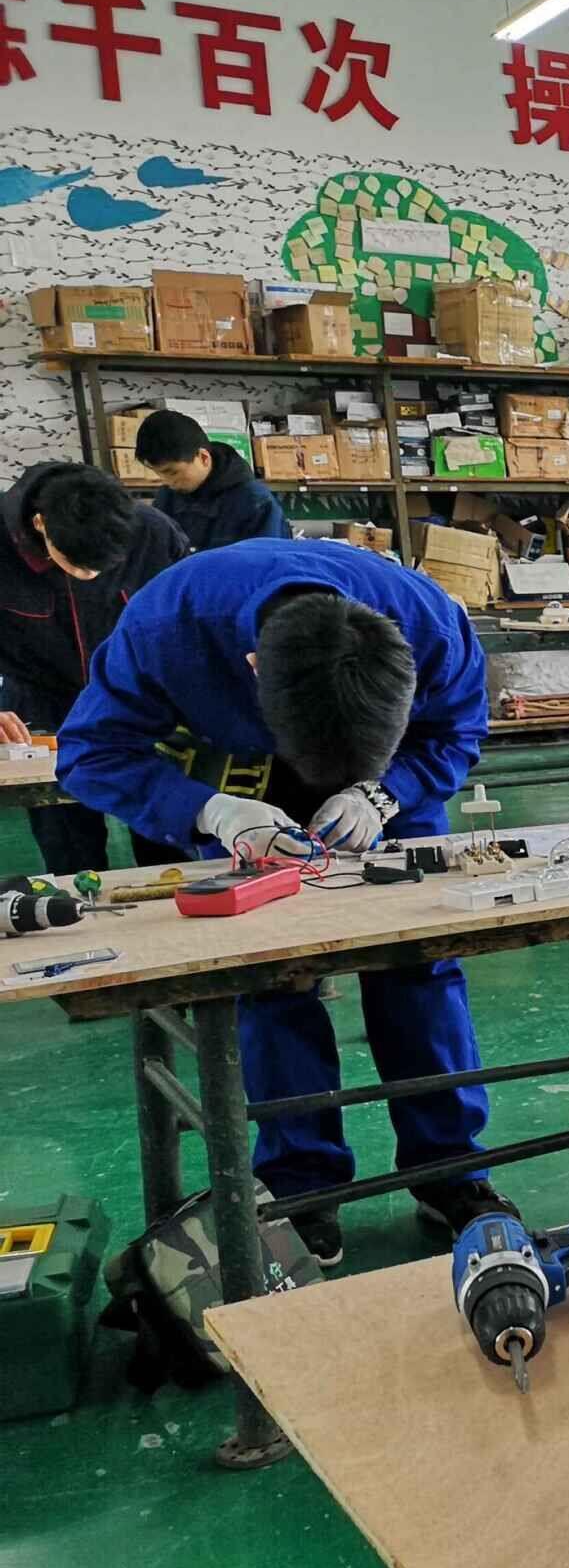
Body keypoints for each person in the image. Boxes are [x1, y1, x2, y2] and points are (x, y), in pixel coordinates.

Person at [58, 538, 510, 1267]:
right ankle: (302, 1186)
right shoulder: (168, 626)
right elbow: (89, 753)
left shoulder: (430, 621)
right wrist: (209, 812)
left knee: (418, 963)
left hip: (384, 792)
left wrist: (387, 792)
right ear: (252, 666)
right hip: (245, 793)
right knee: (271, 980)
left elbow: (458, 729)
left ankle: (451, 1172)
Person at [0, 461, 193, 873]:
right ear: (39, 524)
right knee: (70, 846)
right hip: (41, 707)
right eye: (76, 564)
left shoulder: (153, 532)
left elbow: (190, 617)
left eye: (100, 567)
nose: (88, 575)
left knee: (168, 832)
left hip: (138, 699)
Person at [134, 410, 289, 550]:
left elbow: (269, 563)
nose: (167, 482)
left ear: (203, 457)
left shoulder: (255, 503)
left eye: (172, 472)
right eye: (158, 473)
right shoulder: (166, 499)